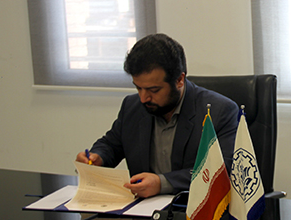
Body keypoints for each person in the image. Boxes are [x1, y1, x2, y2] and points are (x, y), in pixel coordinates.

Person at [76, 33, 238, 199]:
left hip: (193, 209)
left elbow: (222, 170)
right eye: (138, 88)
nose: (143, 98)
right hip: (142, 210)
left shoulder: (219, 112)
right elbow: (111, 145)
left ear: (179, 80)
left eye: (153, 90)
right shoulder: (132, 106)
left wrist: (162, 183)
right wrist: (97, 157)